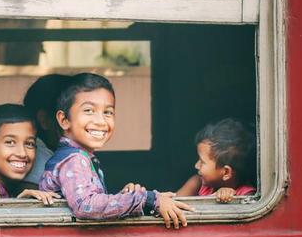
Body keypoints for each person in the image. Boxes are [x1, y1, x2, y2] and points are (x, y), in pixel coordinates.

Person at [39, 73, 194, 229]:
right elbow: (86, 206)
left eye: (108, 112)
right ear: (64, 120)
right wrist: (149, 199)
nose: (101, 121)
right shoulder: (73, 159)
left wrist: (126, 197)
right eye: (89, 110)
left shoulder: (81, 156)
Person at [0, 74, 71, 189]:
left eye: (29, 144)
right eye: (68, 118)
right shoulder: (42, 158)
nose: (22, 153)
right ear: (44, 119)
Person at [175, 118, 256, 203]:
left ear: (226, 172)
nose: (196, 165)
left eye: (202, 162)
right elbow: (176, 203)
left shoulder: (247, 194)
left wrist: (228, 199)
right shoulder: (197, 182)